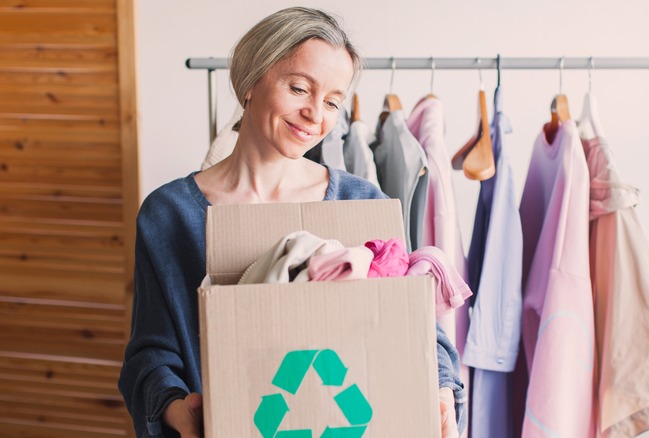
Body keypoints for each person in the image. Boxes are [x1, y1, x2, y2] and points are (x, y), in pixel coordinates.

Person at [118, 7, 464, 438]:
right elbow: (150, 354)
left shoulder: (362, 203)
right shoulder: (169, 215)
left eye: (333, 102)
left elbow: (416, 330)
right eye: (300, 88)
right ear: (250, 83)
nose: (316, 114)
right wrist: (174, 408)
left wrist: (440, 387)